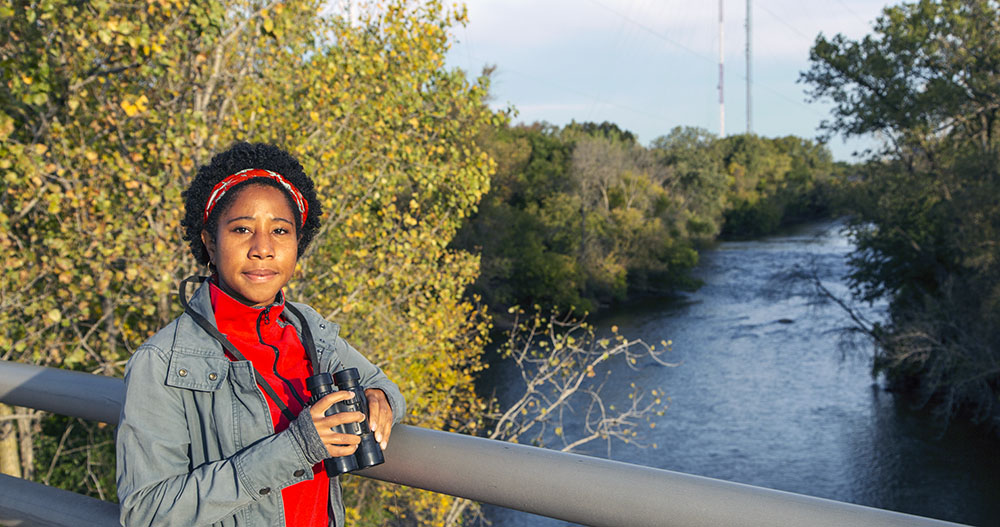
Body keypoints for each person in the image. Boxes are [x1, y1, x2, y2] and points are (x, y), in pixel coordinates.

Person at [116, 142, 406, 527]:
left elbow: (383, 385)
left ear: (297, 244)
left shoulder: (307, 329)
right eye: (242, 229)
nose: (263, 248)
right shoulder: (164, 362)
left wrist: (379, 397)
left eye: (280, 231)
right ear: (209, 243)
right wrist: (297, 447)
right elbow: (146, 513)